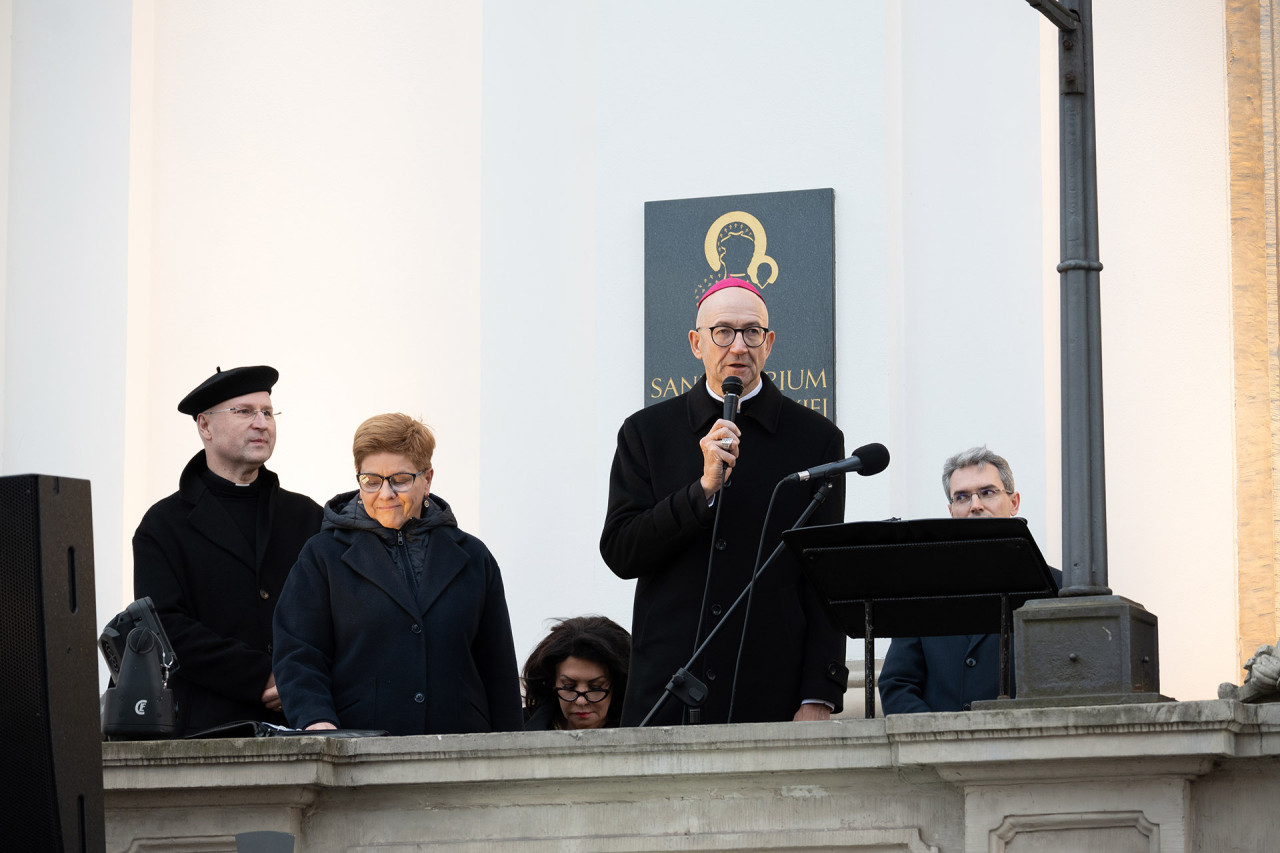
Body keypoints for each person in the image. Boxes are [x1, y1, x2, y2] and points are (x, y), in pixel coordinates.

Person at [600, 276, 849, 726]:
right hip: (669, 685)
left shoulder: (816, 438)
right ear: (697, 343)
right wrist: (701, 492)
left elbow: (826, 578)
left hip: (771, 687)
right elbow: (621, 551)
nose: (738, 346)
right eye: (723, 332)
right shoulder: (646, 433)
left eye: (752, 332)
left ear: (768, 343)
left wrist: (820, 693)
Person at [272, 413, 522, 735]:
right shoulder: (322, 556)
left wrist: (511, 749)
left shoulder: (474, 557)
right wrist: (316, 721)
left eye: (400, 479)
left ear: (427, 479)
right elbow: (298, 653)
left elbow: (499, 670)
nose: (386, 493)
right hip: (358, 750)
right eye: (371, 481)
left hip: (461, 748)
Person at [133, 365, 323, 736]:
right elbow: (165, 627)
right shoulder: (164, 524)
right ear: (205, 426)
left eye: (268, 412)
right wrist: (262, 675)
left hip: (303, 720)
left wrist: (299, 678)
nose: (262, 423)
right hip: (208, 728)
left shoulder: (307, 516)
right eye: (244, 411)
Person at [878, 446, 1061, 713]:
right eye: (962, 497)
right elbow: (897, 684)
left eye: (987, 492)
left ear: (1014, 503)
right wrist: (940, 733)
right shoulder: (922, 589)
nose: (975, 506)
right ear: (952, 511)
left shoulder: (1058, 587)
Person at [521, 616, 631, 730]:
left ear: (617, 685)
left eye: (595, 687)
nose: (581, 701)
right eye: (568, 686)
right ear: (553, 682)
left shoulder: (639, 727)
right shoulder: (517, 728)